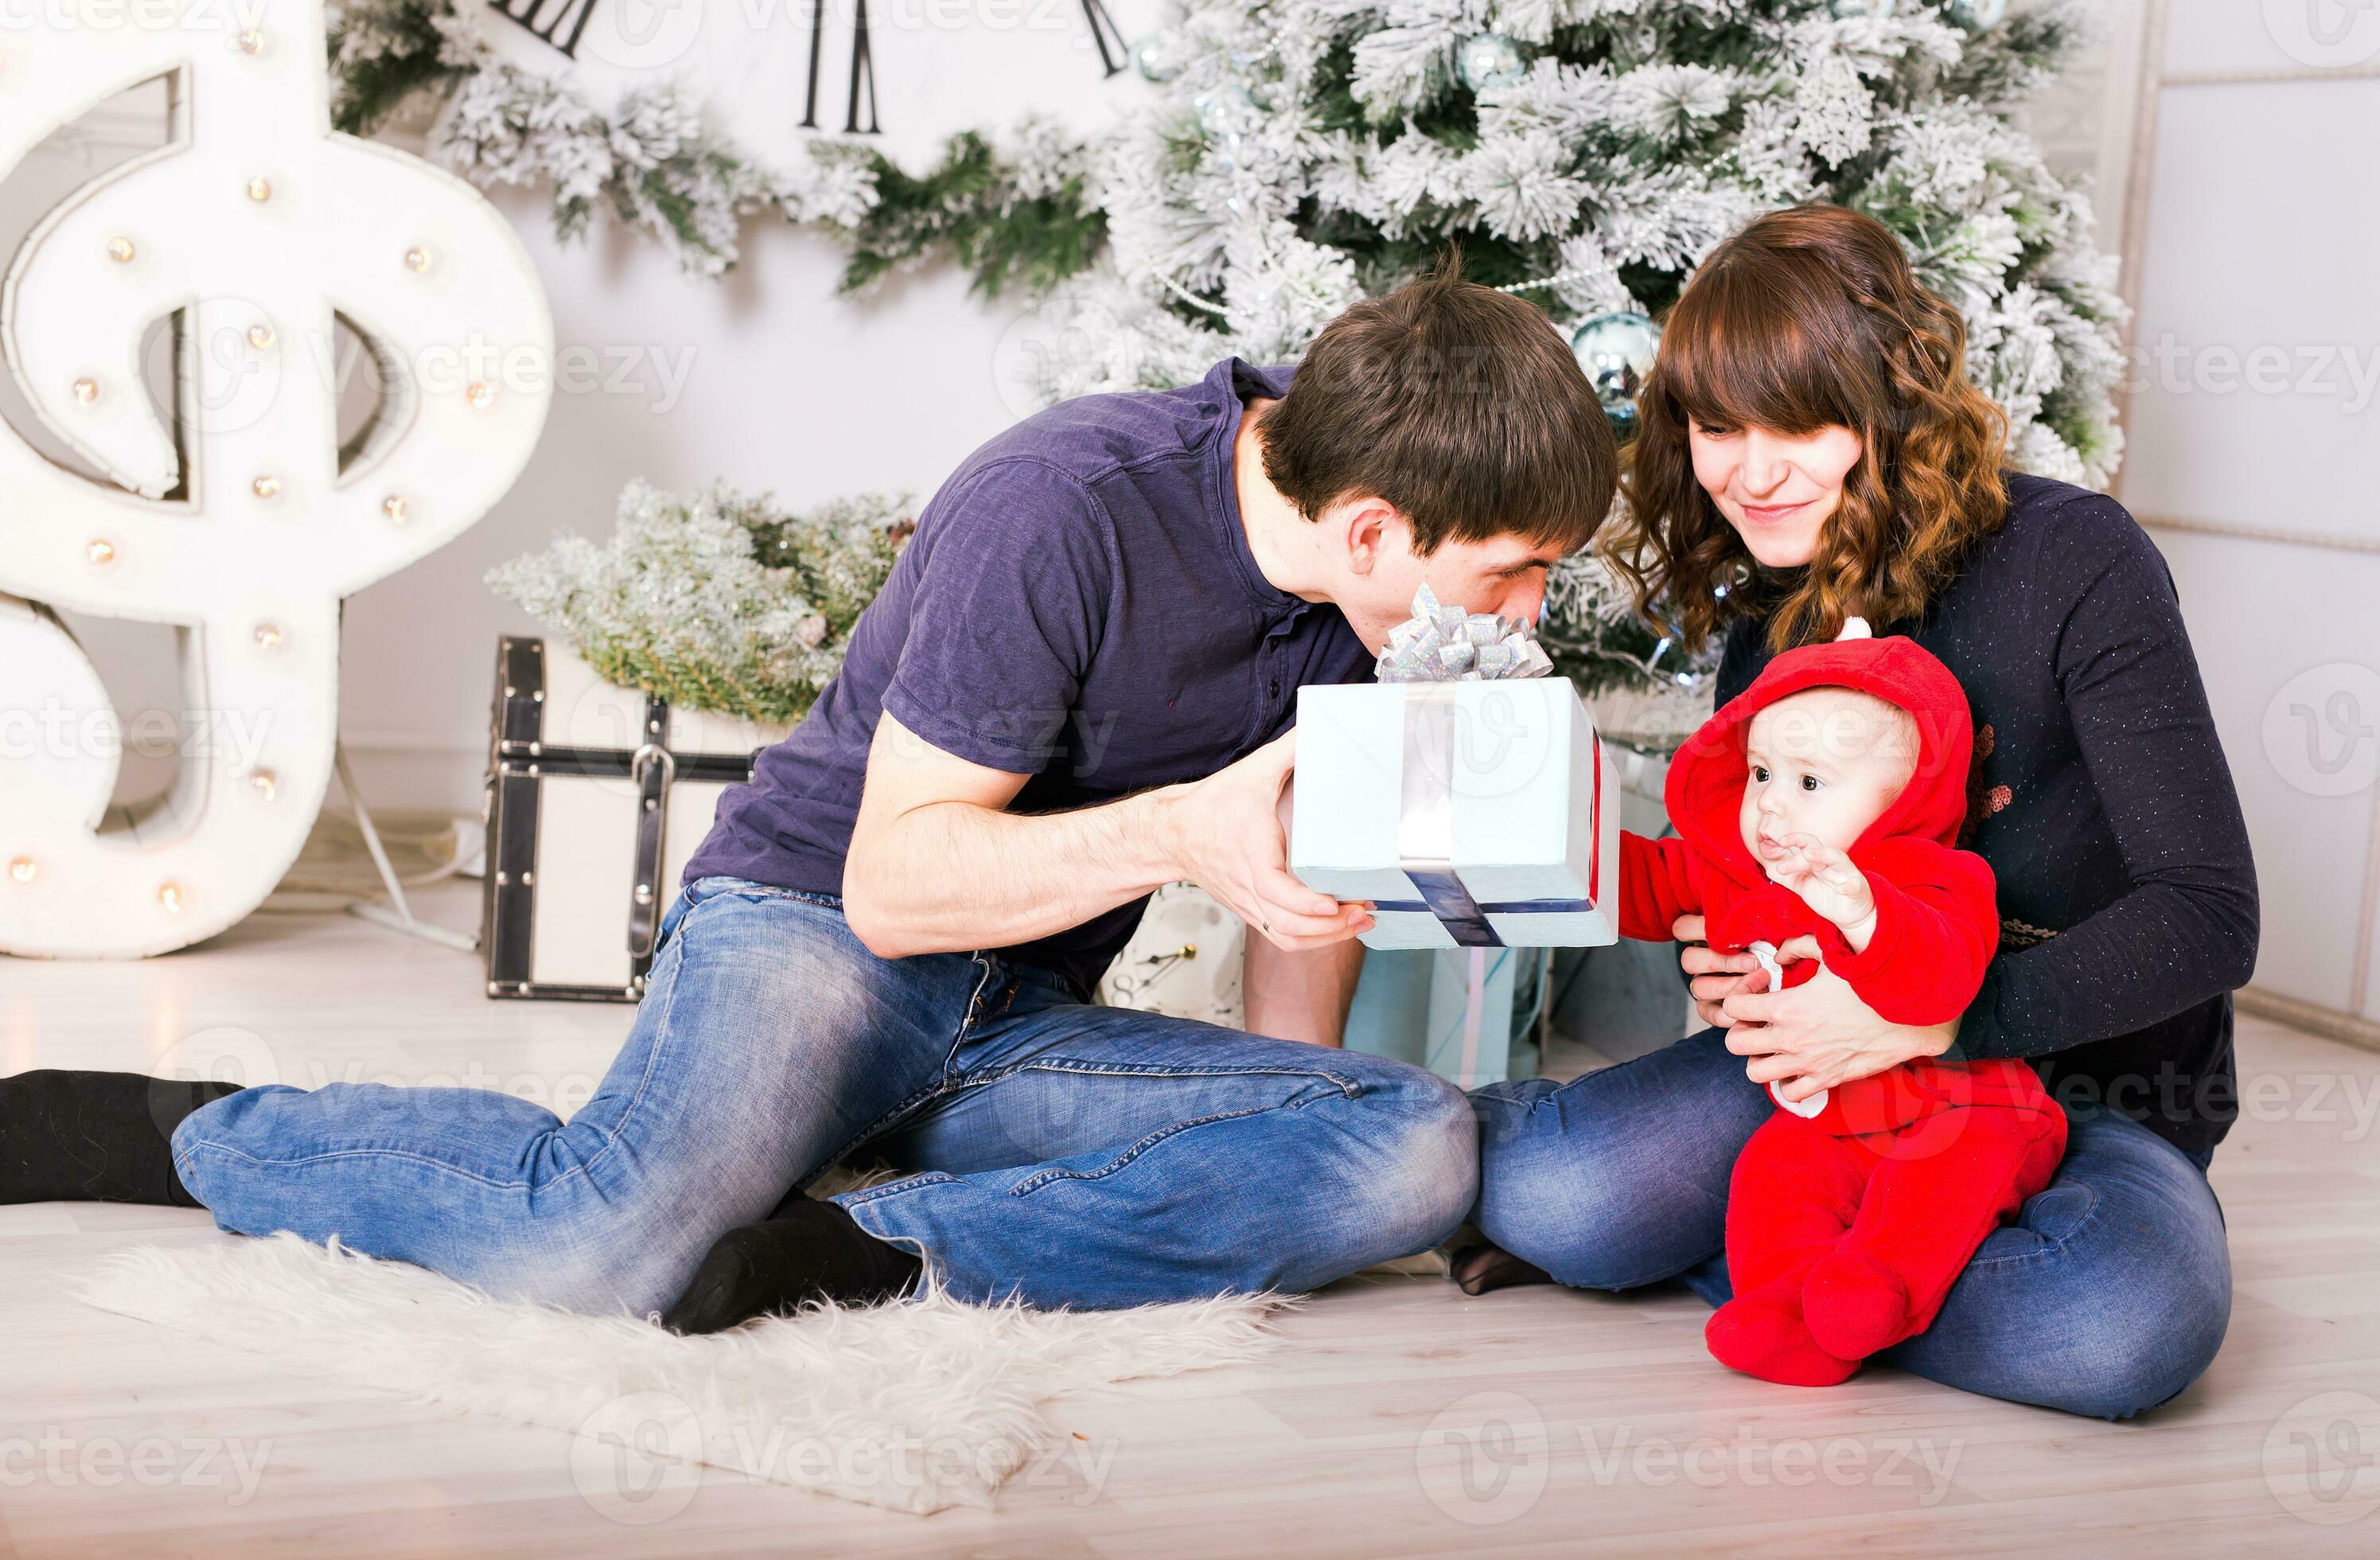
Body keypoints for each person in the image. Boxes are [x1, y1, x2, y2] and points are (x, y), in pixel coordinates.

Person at [1, 267, 1620, 1332]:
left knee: (1405, 1146)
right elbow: (894, 890)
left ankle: (857, 1245)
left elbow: (1298, 916)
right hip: (813, 928)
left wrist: (1289, 1132)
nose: (1526, 611)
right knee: (598, 1246)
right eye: (1514, 571)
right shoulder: (1060, 505)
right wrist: (1178, 832)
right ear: (1367, 527)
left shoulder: (1383, 615)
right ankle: (182, 1127)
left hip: (1019, 1008)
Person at [1460, 205, 2256, 1421]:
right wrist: (1729, 965)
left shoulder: (2072, 561)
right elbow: (1736, 884)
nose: (1751, 471)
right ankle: (1802, 1267)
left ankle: (1751, 1270)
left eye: (1799, 424)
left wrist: (1937, 1026)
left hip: (2081, 1100)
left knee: (2108, 1330)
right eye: (1716, 427)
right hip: (1824, 1100)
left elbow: (2207, 917)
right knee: (1555, 1199)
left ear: (1889, 409)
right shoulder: (1764, 618)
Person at [1612, 622, 2065, 1386]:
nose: (1770, 810)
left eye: (1809, 783)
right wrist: (1575, 847)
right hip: (1829, 1120)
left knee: (1927, 1200)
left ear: (1907, 796)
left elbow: (1943, 983)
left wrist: (1862, 912)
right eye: (1760, 773)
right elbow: (1649, 882)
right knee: (1771, 1179)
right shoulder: (1741, 867)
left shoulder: (1936, 877)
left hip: (1969, 1111)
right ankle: (1787, 1318)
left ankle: (1877, 1293)